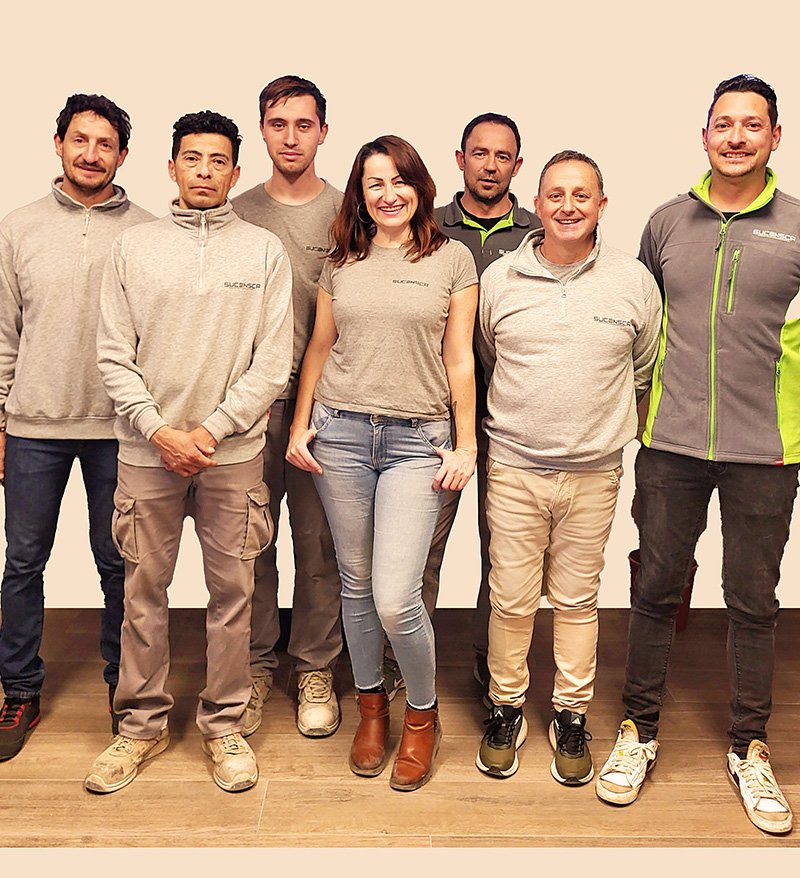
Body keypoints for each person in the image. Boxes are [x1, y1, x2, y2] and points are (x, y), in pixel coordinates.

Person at [596, 74, 800, 836]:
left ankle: (750, 746)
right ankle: (638, 730)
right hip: (671, 443)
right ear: (705, 134)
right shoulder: (665, 224)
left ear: (774, 137)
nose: (736, 136)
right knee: (655, 589)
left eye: (752, 124)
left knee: (752, 601)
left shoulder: (797, 228)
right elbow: (639, 324)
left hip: (766, 451)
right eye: (724, 124)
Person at [84, 110, 293, 794]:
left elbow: (273, 361)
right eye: (192, 159)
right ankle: (139, 727)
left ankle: (224, 724)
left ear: (236, 171)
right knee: (142, 592)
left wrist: (211, 431)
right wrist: (159, 431)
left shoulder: (263, 251)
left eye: (218, 160)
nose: (205, 171)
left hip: (233, 457)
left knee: (233, 594)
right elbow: (113, 355)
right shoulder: (133, 248)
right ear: (171, 167)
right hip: (147, 455)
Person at [286, 135, 478, 791]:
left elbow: (459, 356)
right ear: (360, 195)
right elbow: (320, 346)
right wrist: (301, 425)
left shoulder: (451, 259)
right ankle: (371, 709)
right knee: (356, 585)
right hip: (339, 434)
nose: (388, 194)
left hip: (417, 441)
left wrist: (465, 443)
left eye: (399, 180)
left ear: (420, 187)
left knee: (397, 596)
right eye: (375, 183)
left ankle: (421, 716)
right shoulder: (341, 262)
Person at [474, 151, 660, 783]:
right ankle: (506, 707)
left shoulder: (632, 280)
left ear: (601, 205)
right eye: (555, 194)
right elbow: (488, 355)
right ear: (537, 203)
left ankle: (570, 714)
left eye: (582, 195)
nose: (568, 206)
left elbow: (641, 368)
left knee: (578, 600)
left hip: (594, 472)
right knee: (511, 599)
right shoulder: (500, 279)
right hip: (514, 467)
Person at [0, 94, 153, 762]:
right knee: (23, 562)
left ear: (123, 154)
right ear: (58, 143)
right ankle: (18, 688)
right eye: (80, 140)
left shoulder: (147, 233)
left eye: (105, 144)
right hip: (32, 425)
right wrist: (0, 420)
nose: (91, 154)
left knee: (119, 563)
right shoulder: (18, 229)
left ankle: (126, 687)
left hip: (120, 431)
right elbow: (4, 334)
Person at [231, 75, 344, 739]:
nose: (292, 137)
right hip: (251, 403)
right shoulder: (237, 211)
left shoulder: (348, 211)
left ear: (324, 132)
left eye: (305, 124)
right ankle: (252, 665)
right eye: (279, 124)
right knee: (251, 540)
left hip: (326, 405)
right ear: (262, 131)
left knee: (318, 543)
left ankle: (315, 667)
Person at [422, 113, 541, 701]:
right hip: (434, 412)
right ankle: (403, 662)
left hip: (512, 416)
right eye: (479, 153)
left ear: (517, 165)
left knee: (504, 551)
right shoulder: (426, 226)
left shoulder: (541, 232)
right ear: (460, 159)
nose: (490, 166)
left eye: (502, 156)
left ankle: (492, 662)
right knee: (421, 545)